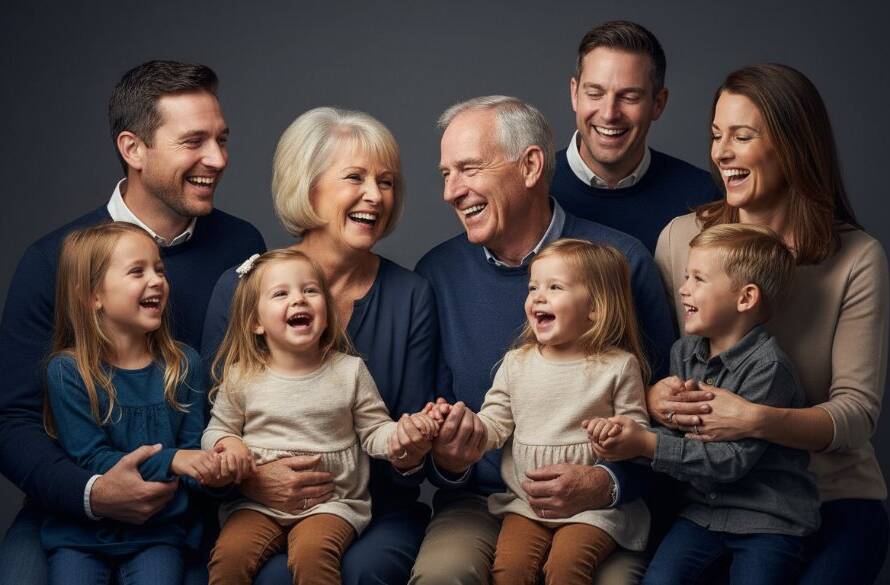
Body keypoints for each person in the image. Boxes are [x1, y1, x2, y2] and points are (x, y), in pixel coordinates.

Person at [0, 60, 265, 585]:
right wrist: (92, 493)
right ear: (133, 149)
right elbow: (12, 420)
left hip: (194, 500)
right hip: (70, 504)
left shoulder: (243, 249)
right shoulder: (54, 260)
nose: (217, 158)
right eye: (194, 142)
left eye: (222, 139)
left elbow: (257, 383)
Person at [411, 95, 675, 584]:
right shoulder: (436, 274)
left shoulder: (619, 261)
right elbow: (434, 438)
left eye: (468, 169)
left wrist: (605, 483)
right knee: (442, 577)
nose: (451, 191)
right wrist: (450, 457)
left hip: (605, 501)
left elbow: (665, 420)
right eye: (445, 173)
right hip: (485, 500)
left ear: (531, 165)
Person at [651, 64, 888, 584]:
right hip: (715, 495)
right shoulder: (681, 239)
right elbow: (663, 366)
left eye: (742, 136)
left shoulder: (856, 257)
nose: (721, 153)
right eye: (717, 135)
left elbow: (857, 414)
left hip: (834, 496)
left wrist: (756, 419)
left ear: (793, 145)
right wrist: (656, 398)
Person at [201, 107, 437, 584]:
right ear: (308, 187)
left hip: (365, 505)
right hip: (251, 501)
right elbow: (208, 420)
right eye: (356, 177)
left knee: (358, 570)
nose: (375, 195)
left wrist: (412, 445)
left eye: (387, 182)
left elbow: (404, 462)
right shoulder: (244, 286)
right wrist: (251, 477)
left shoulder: (411, 295)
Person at [591, 224, 820, 584]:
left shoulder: (770, 369)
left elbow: (730, 463)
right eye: (685, 276)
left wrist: (647, 445)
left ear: (745, 298)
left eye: (698, 279)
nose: (683, 289)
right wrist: (629, 437)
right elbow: (672, 431)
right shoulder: (684, 352)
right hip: (701, 512)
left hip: (769, 520)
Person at [202, 249, 437, 585]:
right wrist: (229, 444)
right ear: (255, 321)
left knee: (313, 557)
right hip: (257, 505)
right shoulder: (242, 375)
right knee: (229, 556)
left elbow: (374, 430)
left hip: (332, 503)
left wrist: (403, 434)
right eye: (281, 294)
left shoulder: (349, 372)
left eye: (310, 291)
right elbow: (216, 430)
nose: (299, 300)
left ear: (326, 311)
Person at [42, 223, 234, 584]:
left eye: (159, 269)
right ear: (92, 295)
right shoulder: (69, 372)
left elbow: (191, 452)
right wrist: (175, 460)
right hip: (81, 537)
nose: (157, 280)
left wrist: (214, 473)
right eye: (137, 271)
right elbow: (91, 459)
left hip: (159, 533)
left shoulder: (183, 365)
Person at [469, 239, 651, 585]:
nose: (537, 297)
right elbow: (493, 422)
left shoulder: (618, 366)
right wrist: (466, 429)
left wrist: (615, 433)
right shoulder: (517, 362)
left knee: (566, 568)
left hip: (593, 510)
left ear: (594, 307)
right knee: (509, 571)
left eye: (555, 288)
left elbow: (638, 429)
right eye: (533, 287)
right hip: (526, 503)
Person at [550, 20, 719, 253]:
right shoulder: (532, 192)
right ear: (574, 94)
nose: (609, 114)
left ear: (658, 103)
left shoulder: (705, 199)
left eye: (629, 97)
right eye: (595, 93)